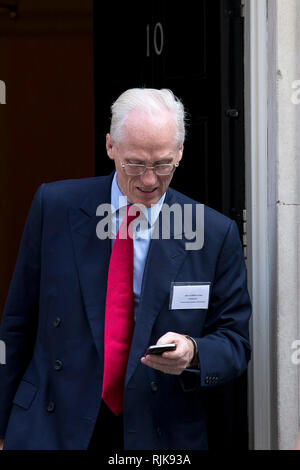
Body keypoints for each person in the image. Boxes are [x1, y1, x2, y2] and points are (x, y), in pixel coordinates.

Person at [0, 88, 251, 450]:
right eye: (134, 163)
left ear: (180, 153)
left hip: (157, 428)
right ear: (110, 147)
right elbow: (17, 323)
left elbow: (235, 342)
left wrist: (194, 351)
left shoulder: (213, 233)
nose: (149, 180)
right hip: (52, 423)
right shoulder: (55, 207)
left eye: (163, 164)